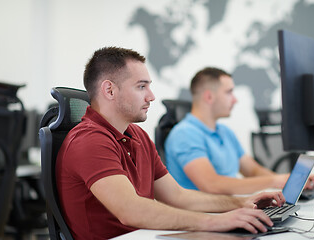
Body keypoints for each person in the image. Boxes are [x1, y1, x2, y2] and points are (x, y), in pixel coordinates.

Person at [56, 47, 285, 239]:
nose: (151, 96)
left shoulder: (138, 136)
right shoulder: (89, 140)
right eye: (141, 86)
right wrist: (215, 222)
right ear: (109, 90)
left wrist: (241, 204)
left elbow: (177, 196)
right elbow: (130, 210)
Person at [165, 67, 314, 195]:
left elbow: (252, 170)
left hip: (228, 209)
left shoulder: (224, 131)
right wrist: (274, 181)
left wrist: (289, 182)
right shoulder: (184, 134)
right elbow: (212, 185)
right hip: (205, 217)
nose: (235, 99)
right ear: (209, 96)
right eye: (229, 92)